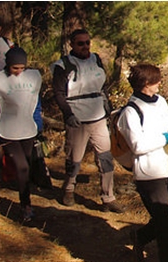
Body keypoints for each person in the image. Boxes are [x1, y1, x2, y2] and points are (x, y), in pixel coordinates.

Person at [118, 64, 168, 262]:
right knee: (166, 222)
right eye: (156, 80)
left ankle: (139, 236)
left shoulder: (162, 102)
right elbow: (137, 145)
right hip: (148, 173)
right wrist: (166, 138)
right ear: (145, 84)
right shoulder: (130, 112)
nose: (160, 82)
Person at [52, 29, 120, 212]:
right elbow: (58, 93)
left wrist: (108, 107)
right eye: (80, 43)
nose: (85, 47)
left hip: (98, 116)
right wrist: (68, 114)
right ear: (72, 44)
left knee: (105, 157)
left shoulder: (96, 60)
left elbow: (103, 86)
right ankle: (68, 189)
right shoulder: (63, 65)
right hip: (78, 118)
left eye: (87, 43)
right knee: (74, 159)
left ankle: (108, 197)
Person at [0, 46, 45, 223]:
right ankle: (26, 206)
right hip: (6, 131)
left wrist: (39, 128)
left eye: (21, 68)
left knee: (27, 166)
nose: (18, 72)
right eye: (14, 68)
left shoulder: (32, 78)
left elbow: (34, 105)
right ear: (7, 65)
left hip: (27, 129)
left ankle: (24, 198)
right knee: (22, 167)